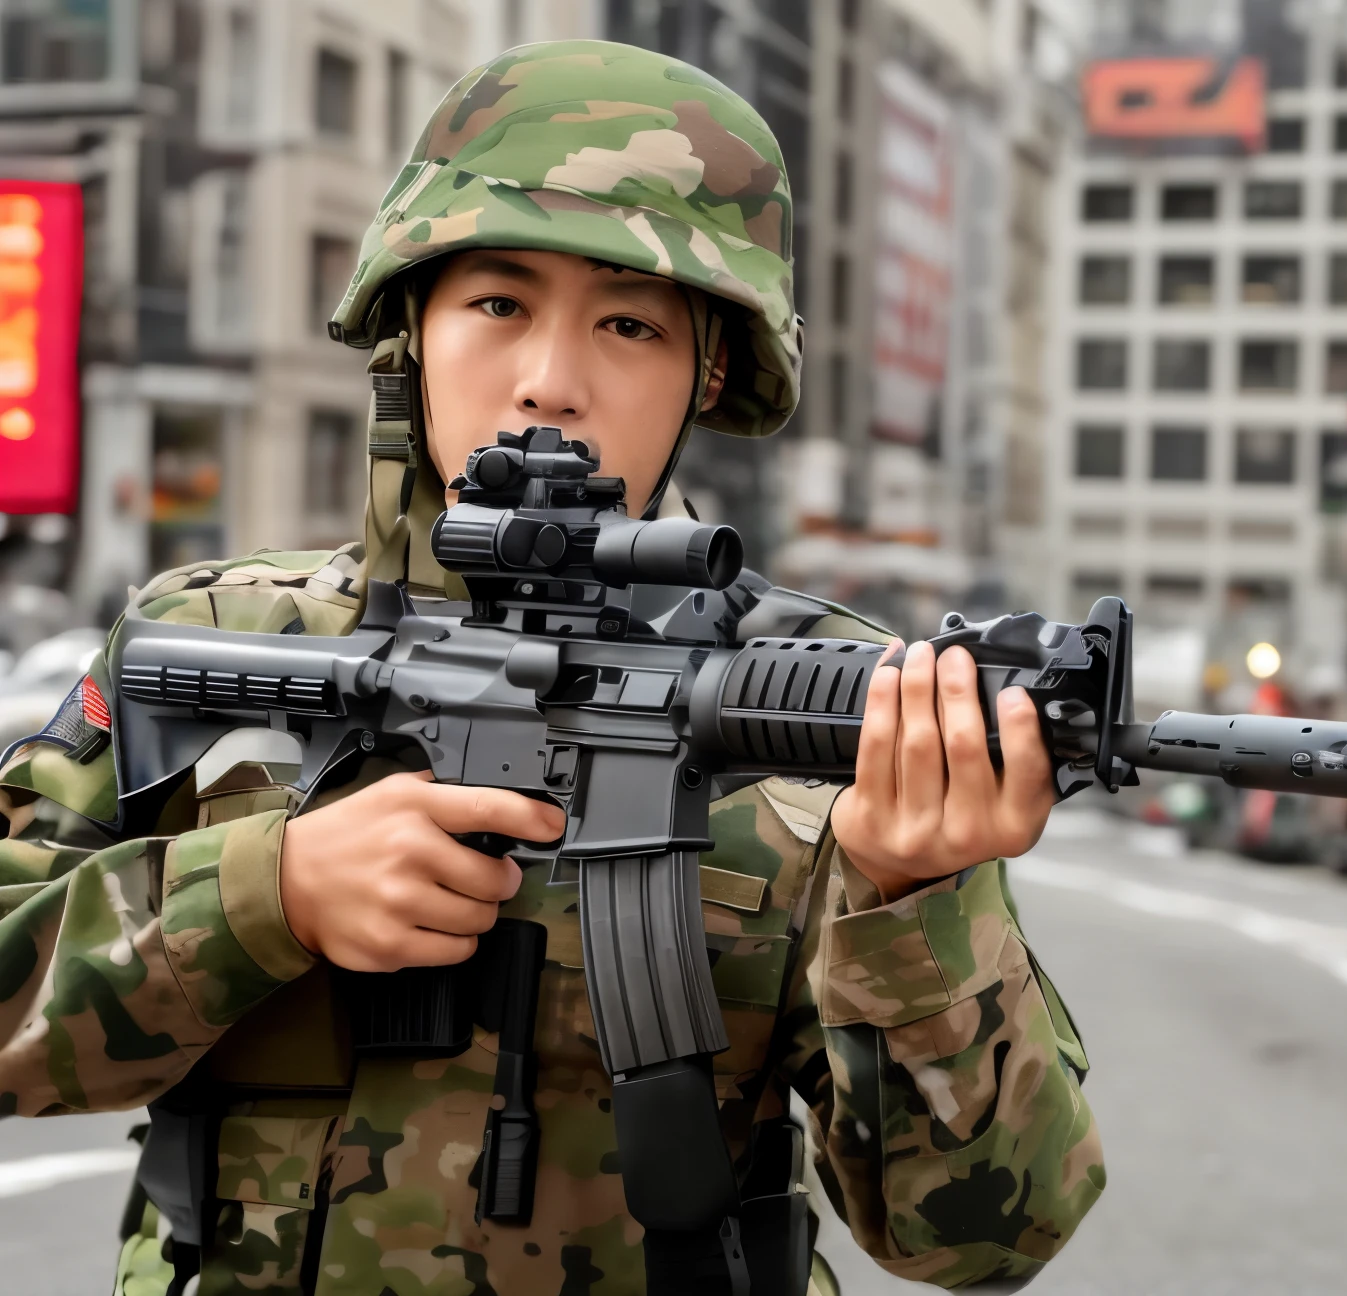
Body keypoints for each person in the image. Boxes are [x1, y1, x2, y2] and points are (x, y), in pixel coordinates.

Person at [0, 42, 1102, 1296]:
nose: (549, 381)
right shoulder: (225, 638)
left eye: (629, 324)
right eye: (497, 303)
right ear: (409, 324)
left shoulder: (827, 703)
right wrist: (270, 892)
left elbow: (988, 1235)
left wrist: (915, 892)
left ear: (713, 370)